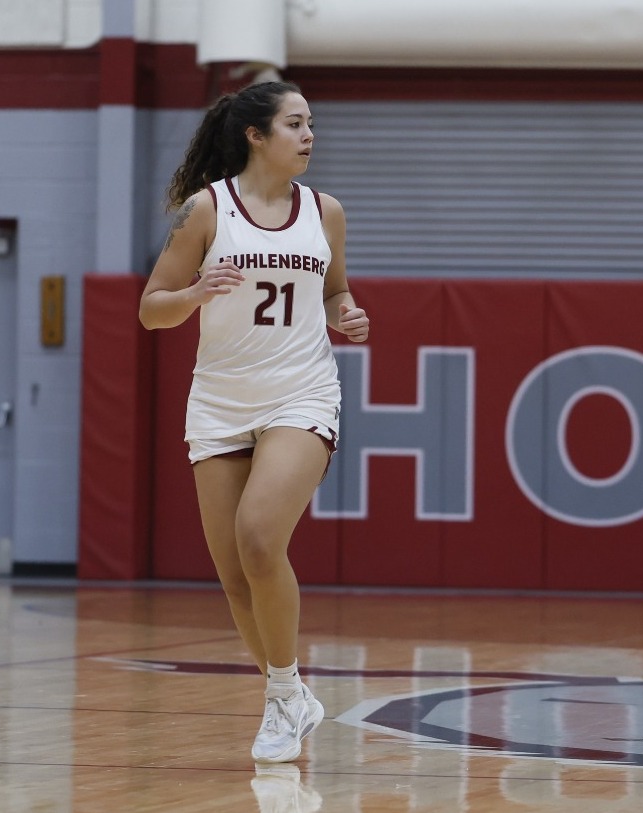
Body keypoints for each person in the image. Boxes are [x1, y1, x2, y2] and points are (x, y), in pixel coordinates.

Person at [139, 80, 370, 764]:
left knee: (260, 537)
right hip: (219, 400)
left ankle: (281, 695)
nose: (308, 135)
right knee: (236, 575)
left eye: (310, 125)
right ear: (255, 135)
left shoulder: (324, 211)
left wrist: (345, 314)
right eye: (295, 124)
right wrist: (192, 291)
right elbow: (152, 308)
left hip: (299, 392)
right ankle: (287, 692)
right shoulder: (205, 211)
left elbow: (334, 290)